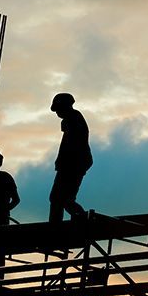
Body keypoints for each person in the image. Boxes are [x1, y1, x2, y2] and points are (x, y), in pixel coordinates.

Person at [49, 92, 93, 222]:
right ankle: (78, 221)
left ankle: (80, 221)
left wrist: (63, 163)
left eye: (58, 109)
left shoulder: (73, 119)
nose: (57, 113)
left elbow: (71, 146)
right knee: (61, 199)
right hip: (72, 164)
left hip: (73, 164)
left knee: (60, 199)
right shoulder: (72, 119)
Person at [0, 148, 19, 226]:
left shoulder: (6, 177)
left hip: (1, 218)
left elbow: (16, 200)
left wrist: (3, 210)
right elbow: (16, 200)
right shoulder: (6, 177)